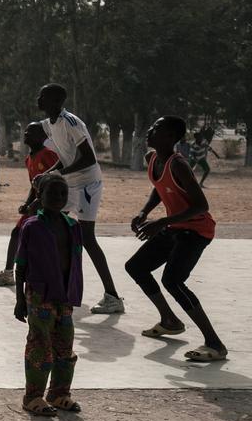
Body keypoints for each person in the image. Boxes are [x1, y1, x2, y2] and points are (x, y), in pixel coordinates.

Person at [125, 116, 226, 362]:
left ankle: (215, 343)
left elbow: (201, 205)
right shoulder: (152, 159)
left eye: (157, 128)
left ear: (171, 137)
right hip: (175, 227)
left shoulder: (178, 164)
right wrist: (144, 212)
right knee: (136, 267)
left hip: (196, 230)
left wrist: (161, 222)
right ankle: (169, 320)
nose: (150, 130)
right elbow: (160, 189)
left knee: (173, 280)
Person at [35, 83, 124, 314]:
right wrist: (49, 173)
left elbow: (88, 159)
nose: (38, 99)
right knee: (51, 228)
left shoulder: (70, 122)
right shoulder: (51, 124)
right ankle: (57, 284)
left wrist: (57, 173)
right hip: (70, 184)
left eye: (43, 96)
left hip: (87, 184)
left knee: (87, 238)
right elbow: (66, 158)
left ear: (55, 101)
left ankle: (112, 296)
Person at [13, 172, 83, 416]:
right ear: (40, 197)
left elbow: (75, 262)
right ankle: (33, 396)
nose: (58, 198)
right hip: (39, 296)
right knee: (40, 346)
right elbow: (20, 264)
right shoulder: (32, 226)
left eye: (63, 193)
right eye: (52, 193)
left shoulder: (73, 226)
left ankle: (59, 393)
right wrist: (20, 299)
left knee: (65, 346)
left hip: (64, 296)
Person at [0, 122, 59, 286]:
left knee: (44, 242)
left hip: (50, 207)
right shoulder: (28, 159)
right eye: (26, 131)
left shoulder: (48, 155)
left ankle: (49, 276)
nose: (26, 133)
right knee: (16, 233)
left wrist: (39, 203)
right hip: (35, 205)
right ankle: (8, 273)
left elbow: (56, 183)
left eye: (31, 132)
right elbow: (34, 186)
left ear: (43, 137)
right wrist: (27, 204)